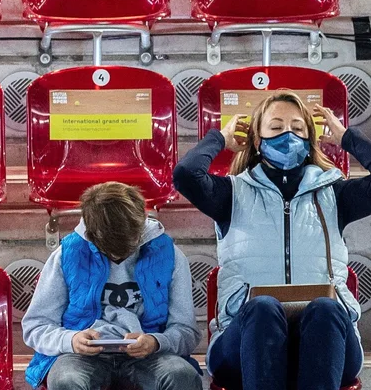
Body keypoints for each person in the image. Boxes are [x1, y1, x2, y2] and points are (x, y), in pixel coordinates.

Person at [175, 91, 371, 390]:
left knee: (327, 309)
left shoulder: (335, 194)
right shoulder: (231, 193)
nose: (287, 136)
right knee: (263, 306)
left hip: (328, 344)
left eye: (297, 128)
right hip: (246, 345)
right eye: (276, 127)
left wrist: (347, 138)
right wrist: (219, 139)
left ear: (309, 141)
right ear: (257, 140)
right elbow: (186, 174)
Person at [22, 181, 200, 390]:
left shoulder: (170, 256)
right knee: (66, 380)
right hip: (80, 357)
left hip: (151, 355)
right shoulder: (66, 255)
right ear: (91, 235)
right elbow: (36, 326)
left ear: (141, 224)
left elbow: (187, 331)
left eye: (129, 246)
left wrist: (156, 341)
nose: (119, 256)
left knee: (182, 375)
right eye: (110, 250)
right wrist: (71, 340)